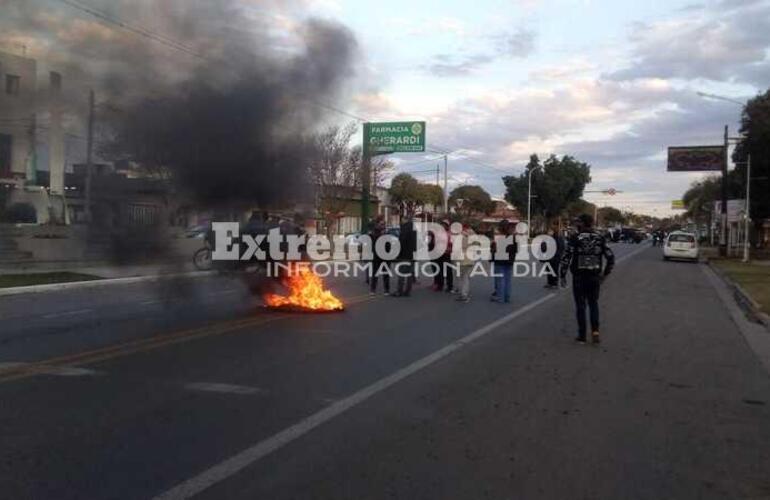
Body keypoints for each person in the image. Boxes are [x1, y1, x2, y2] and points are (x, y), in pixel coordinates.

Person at [559, 214, 615, 345]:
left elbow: (566, 257)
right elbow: (610, 257)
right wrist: (605, 274)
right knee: (593, 304)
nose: (577, 225)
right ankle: (595, 332)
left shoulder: (575, 238)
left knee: (580, 306)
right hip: (594, 277)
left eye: (578, 222)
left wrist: (562, 275)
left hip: (579, 278)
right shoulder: (600, 238)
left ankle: (582, 336)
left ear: (583, 223)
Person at [491, 219, 516, 303]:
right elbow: (516, 249)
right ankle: (507, 297)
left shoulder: (499, 238)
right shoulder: (513, 238)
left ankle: (500, 297)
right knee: (507, 280)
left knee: (500, 279)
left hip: (500, 261)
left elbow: (494, 250)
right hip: (509, 261)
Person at [394, 216, 417, 297]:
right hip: (412, 255)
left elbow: (401, 242)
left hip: (404, 254)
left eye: (402, 220)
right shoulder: (414, 229)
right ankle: (408, 291)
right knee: (409, 274)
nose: (401, 221)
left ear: (405, 220)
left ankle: (399, 291)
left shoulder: (404, 229)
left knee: (401, 273)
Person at [369, 218, 390, 296]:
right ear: (377, 225)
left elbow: (389, 244)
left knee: (386, 273)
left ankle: (386, 290)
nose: (383, 226)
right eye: (381, 224)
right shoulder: (374, 233)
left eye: (384, 224)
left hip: (386, 256)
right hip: (377, 256)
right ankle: (373, 289)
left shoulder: (387, 233)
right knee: (375, 273)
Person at [455, 222, 475, 302]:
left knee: (463, 277)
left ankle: (464, 295)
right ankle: (466, 292)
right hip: (471, 258)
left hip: (462, 259)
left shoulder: (461, 236)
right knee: (466, 277)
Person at [545, 223, 565, 289]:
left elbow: (561, 247)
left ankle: (555, 283)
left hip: (555, 257)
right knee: (549, 269)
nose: (549, 232)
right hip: (548, 256)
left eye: (550, 230)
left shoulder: (558, 238)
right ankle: (549, 282)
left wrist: (558, 255)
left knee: (554, 269)